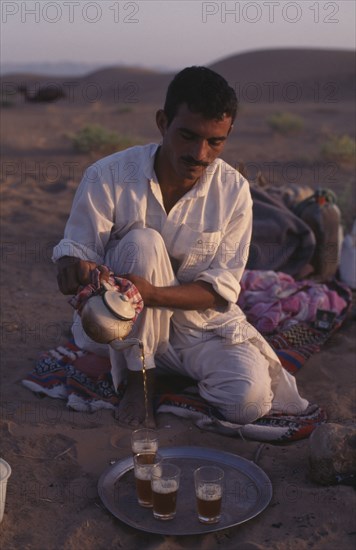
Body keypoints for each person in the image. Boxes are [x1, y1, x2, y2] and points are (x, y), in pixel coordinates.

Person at [54, 66, 308, 428]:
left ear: (228, 134)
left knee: (247, 404)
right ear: (162, 122)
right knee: (144, 242)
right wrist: (73, 265)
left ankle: (167, 368)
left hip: (197, 330)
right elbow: (77, 251)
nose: (199, 153)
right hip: (122, 329)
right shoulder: (108, 174)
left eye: (215, 142)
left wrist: (153, 294)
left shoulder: (234, 193)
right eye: (187, 136)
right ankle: (140, 379)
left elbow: (218, 290)